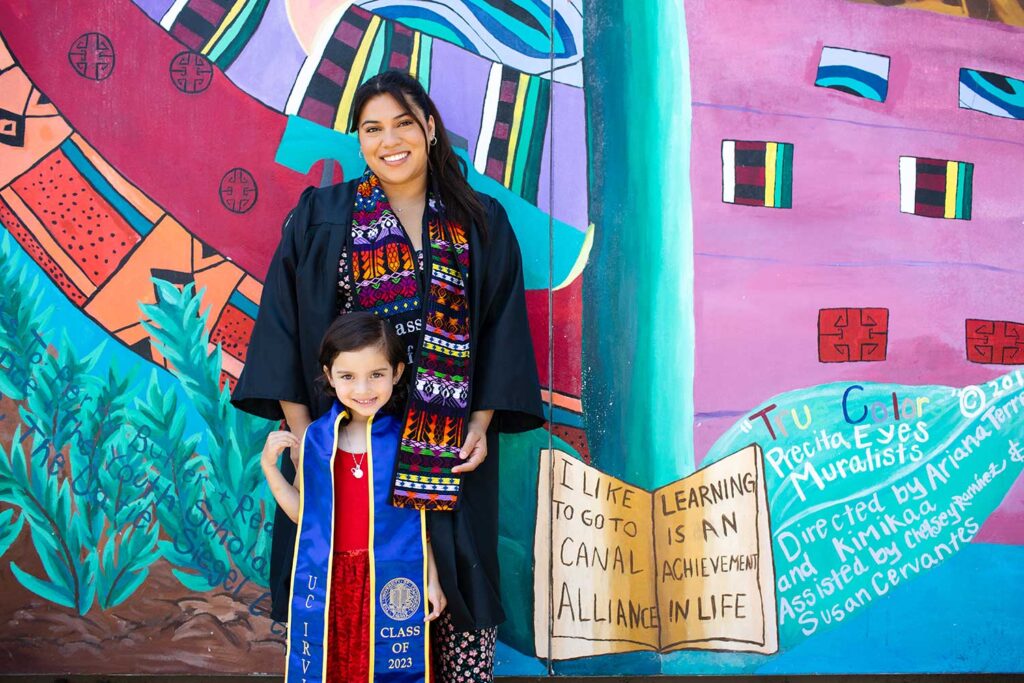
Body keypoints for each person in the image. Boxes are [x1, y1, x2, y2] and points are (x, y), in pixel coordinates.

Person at [232, 69, 544, 681]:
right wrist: (304, 441)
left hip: (445, 450)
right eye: (372, 128)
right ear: (359, 139)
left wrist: (481, 422)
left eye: (404, 122)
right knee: (346, 597)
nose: (389, 140)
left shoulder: (479, 221)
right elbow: (285, 330)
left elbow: (502, 326)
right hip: (344, 448)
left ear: (429, 127)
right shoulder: (324, 216)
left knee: (452, 592)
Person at [261, 313, 442, 681]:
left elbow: (420, 522)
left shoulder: (407, 442)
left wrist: (432, 579)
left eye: (376, 374)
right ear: (329, 376)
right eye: (348, 376)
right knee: (338, 669)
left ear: (397, 372)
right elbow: (304, 516)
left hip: (390, 577)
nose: (363, 388)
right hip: (332, 581)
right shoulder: (317, 439)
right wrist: (269, 469)